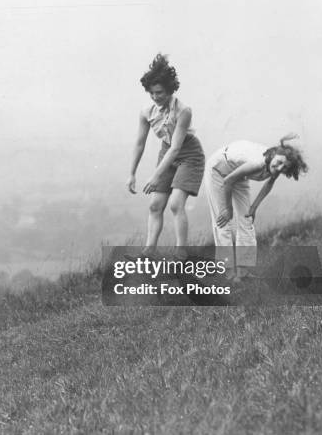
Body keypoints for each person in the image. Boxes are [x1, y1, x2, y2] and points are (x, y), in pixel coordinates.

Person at [127, 54, 205, 258]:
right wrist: (132, 173)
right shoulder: (146, 111)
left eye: (160, 92)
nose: (155, 96)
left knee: (176, 204)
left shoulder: (183, 111)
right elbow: (140, 143)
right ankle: (148, 251)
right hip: (166, 151)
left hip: (188, 154)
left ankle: (181, 253)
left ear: (170, 90)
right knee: (155, 205)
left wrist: (155, 176)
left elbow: (176, 148)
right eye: (151, 92)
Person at [204, 135, 308, 279]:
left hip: (238, 174)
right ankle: (227, 273)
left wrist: (254, 207)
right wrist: (228, 209)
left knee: (247, 220)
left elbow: (269, 183)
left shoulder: (277, 163)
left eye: (284, 168)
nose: (279, 168)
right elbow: (228, 181)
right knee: (223, 220)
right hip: (218, 171)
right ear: (273, 155)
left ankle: (242, 272)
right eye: (278, 163)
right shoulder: (257, 163)